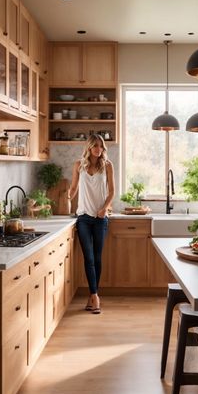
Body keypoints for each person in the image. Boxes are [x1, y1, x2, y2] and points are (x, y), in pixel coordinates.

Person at [68, 134, 115, 314]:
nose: (98, 149)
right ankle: (95, 296)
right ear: (88, 147)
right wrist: (65, 199)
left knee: (97, 257)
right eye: (95, 146)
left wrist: (104, 208)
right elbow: (73, 188)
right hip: (83, 218)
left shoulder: (108, 165)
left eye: (101, 146)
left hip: (100, 218)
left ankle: (92, 295)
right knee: (88, 257)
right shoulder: (78, 165)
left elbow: (112, 191)